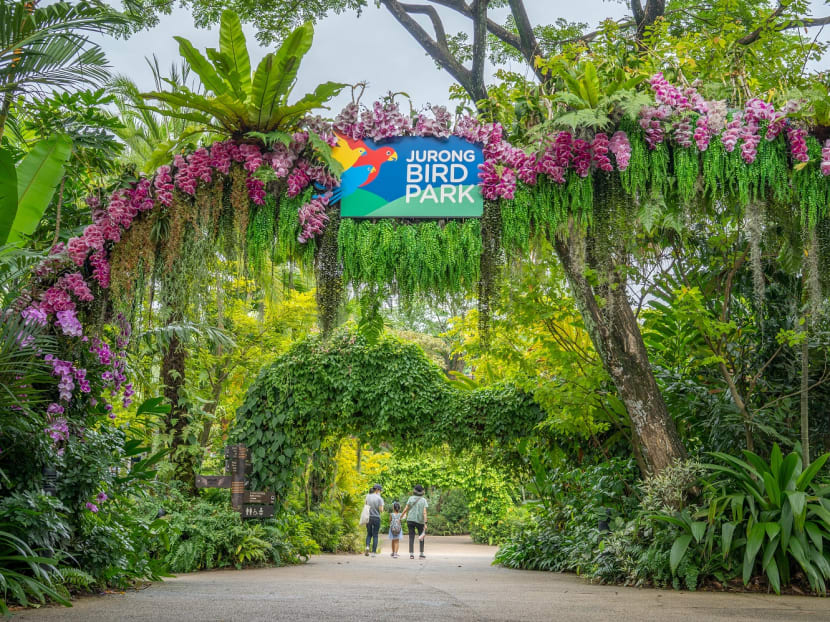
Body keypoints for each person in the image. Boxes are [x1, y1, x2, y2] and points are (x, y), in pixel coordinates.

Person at [401, 484, 428, 559]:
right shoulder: (423, 500)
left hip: (410, 520)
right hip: (420, 521)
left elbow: (406, 509)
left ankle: (411, 554)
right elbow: (424, 512)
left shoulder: (411, 498)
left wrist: (401, 516)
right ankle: (421, 553)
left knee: (411, 537)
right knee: (421, 537)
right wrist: (425, 523)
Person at [364, 484, 384, 557]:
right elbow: (381, 510)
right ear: (377, 490)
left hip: (369, 517)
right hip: (376, 517)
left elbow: (366, 505)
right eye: (380, 490)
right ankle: (373, 552)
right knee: (375, 535)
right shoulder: (379, 498)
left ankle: (367, 547)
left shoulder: (367, 496)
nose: (380, 492)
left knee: (369, 534)